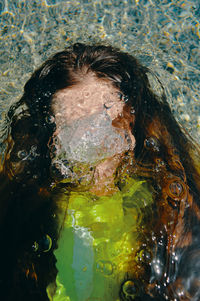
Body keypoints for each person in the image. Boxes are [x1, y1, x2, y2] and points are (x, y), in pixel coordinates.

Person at [0, 43, 200, 301]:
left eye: (107, 124)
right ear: (51, 137)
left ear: (132, 122)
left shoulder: (179, 197)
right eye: (72, 129)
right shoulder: (21, 196)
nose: (92, 150)